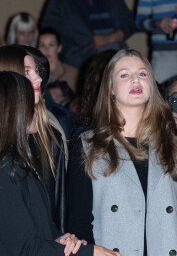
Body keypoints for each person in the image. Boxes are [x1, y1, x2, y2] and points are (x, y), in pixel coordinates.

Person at [68, 49, 177, 255]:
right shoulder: (88, 146)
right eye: (124, 75)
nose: (135, 80)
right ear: (110, 88)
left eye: (142, 73)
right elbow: (80, 220)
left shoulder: (171, 143)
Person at [0, 71, 121, 256]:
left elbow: (39, 228)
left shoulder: (19, 162)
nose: (36, 110)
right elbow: (25, 248)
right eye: (30, 104)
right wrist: (90, 253)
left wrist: (62, 240)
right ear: (13, 109)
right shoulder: (6, 170)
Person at [0, 45, 67, 233]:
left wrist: (62, 240)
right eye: (28, 72)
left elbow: (57, 207)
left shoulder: (49, 136)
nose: (38, 78)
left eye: (36, 71)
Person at [41, 0, 136, 69]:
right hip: (78, 64)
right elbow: (48, 32)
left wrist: (109, 38)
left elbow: (130, 24)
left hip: (116, 60)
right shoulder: (59, 2)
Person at [38, 27, 79, 96]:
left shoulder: (72, 72)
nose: (47, 49)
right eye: (42, 45)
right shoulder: (32, 73)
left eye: (51, 45)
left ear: (59, 48)